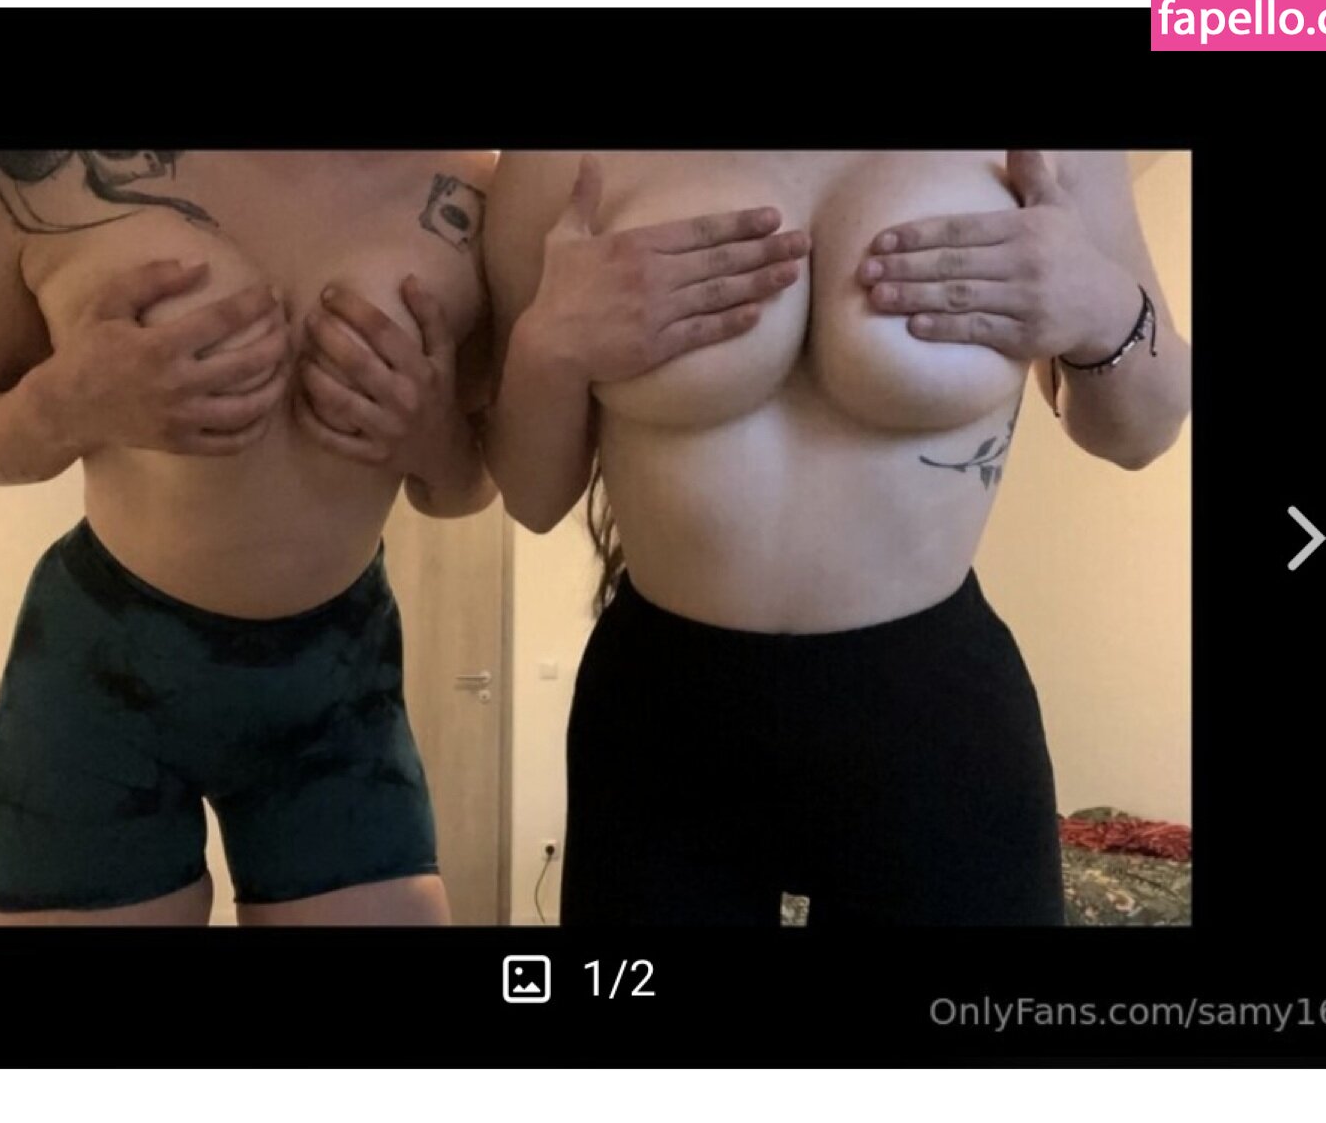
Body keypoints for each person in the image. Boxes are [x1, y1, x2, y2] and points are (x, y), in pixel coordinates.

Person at [484, 151, 1191, 925]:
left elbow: (1141, 433)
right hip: (662, 720)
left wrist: (1100, 308)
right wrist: (549, 346)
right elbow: (533, 495)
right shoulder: (558, 161)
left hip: (933, 711)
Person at [0, 150, 498, 925]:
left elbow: (468, 484)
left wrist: (429, 436)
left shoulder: (478, 184)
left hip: (339, 685)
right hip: (103, 674)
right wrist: (66, 405)